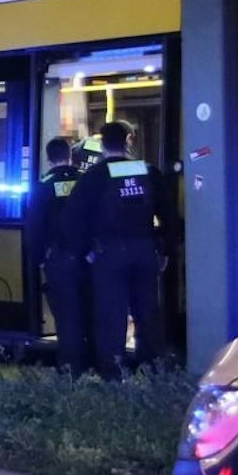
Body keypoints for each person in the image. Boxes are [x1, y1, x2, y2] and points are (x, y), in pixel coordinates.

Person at [64, 119, 176, 378]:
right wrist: (164, 249)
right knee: (147, 314)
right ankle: (153, 372)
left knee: (111, 317)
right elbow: (169, 215)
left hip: (109, 255)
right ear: (128, 141)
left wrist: (85, 254)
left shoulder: (93, 177)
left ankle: (113, 375)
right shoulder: (148, 172)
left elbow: (73, 220)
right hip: (144, 251)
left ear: (102, 145)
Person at [26, 136, 90, 374]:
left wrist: (39, 258)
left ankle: (71, 368)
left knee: (66, 316)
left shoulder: (43, 185)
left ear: (48, 158)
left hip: (59, 260)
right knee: (88, 309)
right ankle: (91, 362)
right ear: (70, 155)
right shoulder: (85, 181)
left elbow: (33, 225)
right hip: (86, 258)